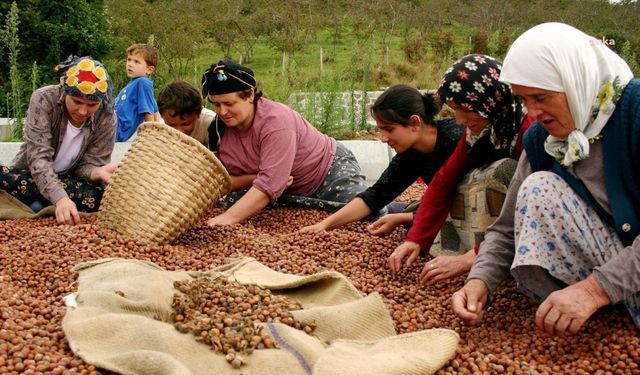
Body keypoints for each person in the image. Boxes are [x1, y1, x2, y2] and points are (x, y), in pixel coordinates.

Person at [451, 22, 640, 335]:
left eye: (541, 97)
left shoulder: (633, 113)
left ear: (576, 80)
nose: (533, 112)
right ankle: (609, 318)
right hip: (610, 279)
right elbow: (506, 227)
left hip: (622, 274)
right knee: (538, 188)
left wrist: (594, 291)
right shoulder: (544, 140)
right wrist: (479, 279)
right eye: (524, 100)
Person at [388, 54, 533, 285]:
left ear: (490, 100)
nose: (459, 120)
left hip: (523, 229)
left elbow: (531, 209)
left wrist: (471, 258)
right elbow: (443, 182)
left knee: (505, 170)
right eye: (454, 109)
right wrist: (415, 238)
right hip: (492, 233)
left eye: (465, 109)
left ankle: (496, 258)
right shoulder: (479, 134)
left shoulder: (529, 132)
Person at [201, 60, 368, 225]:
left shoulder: (276, 122)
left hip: (326, 173)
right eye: (217, 104)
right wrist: (254, 179)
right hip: (284, 191)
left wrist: (228, 218)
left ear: (250, 94)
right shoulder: (217, 130)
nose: (222, 112)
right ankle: (303, 205)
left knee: (364, 212)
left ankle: (393, 211)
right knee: (231, 202)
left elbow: (270, 183)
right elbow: (220, 179)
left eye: (229, 104)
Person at [300, 84, 464, 235]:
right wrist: (324, 225)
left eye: (389, 129)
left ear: (414, 122)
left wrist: (403, 218)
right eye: (380, 130)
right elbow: (375, 196)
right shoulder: (411, 153)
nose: (383, 138)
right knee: (395, 212)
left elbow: (466, 206)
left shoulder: (457, 141)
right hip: (444, 205)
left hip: (471, 213)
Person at [0, 56, 118, 225]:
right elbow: (38, 157)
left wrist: (97, 172)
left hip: (71, 182)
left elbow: (87, 166)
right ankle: (45, 201)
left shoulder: (107, 117)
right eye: (77, 102)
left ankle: (37, 201)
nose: (83, 111)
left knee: (99, 197)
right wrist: (60, 198)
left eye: (92, 104)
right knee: (8, 176)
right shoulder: (43, 99)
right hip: (31, 175)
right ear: (64, 92)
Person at [115, 43, 161, 142]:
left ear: (149, 69)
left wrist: (150, 138)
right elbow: (156, 112)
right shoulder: (133, 84)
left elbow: (149, 112)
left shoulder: (143, 82)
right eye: (129, 59)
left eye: (136, 61)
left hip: (116, 130)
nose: (130, 64)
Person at [157, 80, 216, 147]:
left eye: (186, 124)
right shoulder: (160, 129)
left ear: (199, 113)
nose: (179, 131)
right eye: (172, 125)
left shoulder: (211, 124)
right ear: (162, 117)